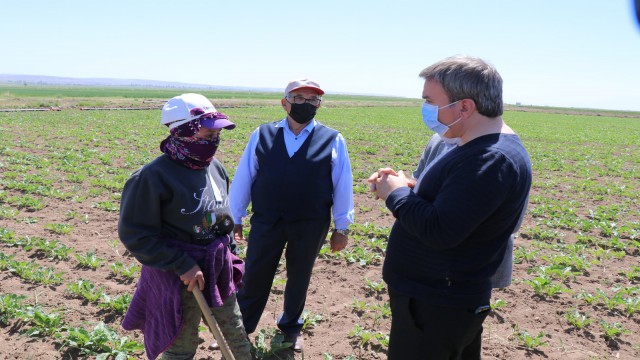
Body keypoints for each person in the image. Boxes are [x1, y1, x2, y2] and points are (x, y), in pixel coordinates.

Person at [368, 55, 532, 359]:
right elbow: (460, 206)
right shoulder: (477, 148)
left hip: (437, 304)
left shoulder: (490, 159)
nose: (426, 110)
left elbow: (440, 230)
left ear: (465, 107)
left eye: (431, 101)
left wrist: (395, 196)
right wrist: (409, 188)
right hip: (440, 300)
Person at [118, 93, 252, 360]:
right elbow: (136, 235)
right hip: (178, 278)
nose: (213, 142)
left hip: (217, 268)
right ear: (181, 132)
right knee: (180, 344)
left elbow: (223, 219)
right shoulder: (151, 177)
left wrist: (232, 253)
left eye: (216, 136)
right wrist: (182, 263)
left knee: (235, 333)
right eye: (206, 135)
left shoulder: (215, 168)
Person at [229, 78, 354, 352]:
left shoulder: (333, 139)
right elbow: (244, 177)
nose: (306, 104)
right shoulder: (262, 134)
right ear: (284, 102)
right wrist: (234, 216)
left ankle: (290, 327)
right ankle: (240, 329)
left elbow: (342, 183)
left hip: (310, 224)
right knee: (255, 274)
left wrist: (342, 226)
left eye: (313, 100)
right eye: (299, 98)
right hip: (267, 219)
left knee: (299, 276)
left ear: (319, 105)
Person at [412, 133, 526, 289]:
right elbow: (418, 183)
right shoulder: (438, 139)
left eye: (433, 106)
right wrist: (398, 188)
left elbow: (510, 222)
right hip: (429, 259)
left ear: (466, 107)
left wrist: (397, 196)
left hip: (464, 269)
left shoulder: (496, 156)